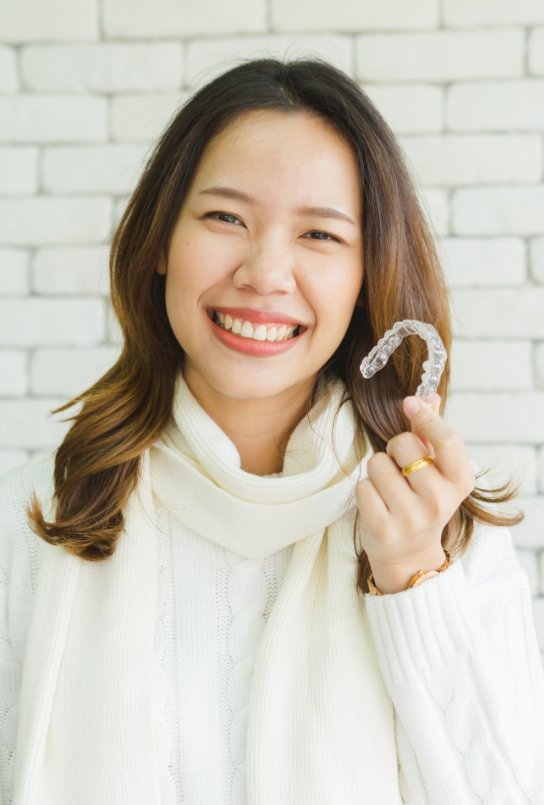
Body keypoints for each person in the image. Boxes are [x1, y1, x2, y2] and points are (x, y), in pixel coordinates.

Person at [0, 57, 543, 805]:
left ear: (364, 277)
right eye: (225, 218)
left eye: (319, 234)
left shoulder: (449, 534)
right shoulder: (34, 521)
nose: (265, 271)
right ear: (160, 241)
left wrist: (413, 580)